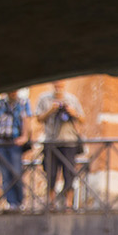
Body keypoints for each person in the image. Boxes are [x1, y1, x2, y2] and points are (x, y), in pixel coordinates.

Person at [36, 81, 86, 209]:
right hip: (51, 140)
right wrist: (51, 110)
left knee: (69, 173)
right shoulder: (44, 98)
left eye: (61, 84)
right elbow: (39, 118)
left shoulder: (72, 99)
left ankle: (68, 204)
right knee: (50, 173)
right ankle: (50, 203)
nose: (59, 86)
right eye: (57, 84)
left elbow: (82, 119)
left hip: (69, 141)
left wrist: (72, 112)